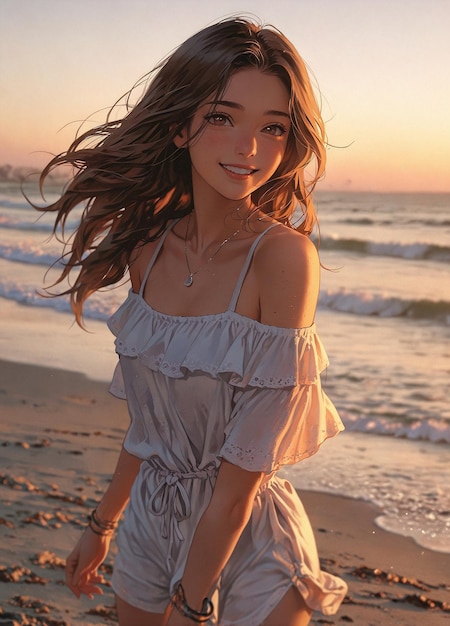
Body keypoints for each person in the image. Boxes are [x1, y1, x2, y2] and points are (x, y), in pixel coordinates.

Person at [35, 16, 347, 626]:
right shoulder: (147, 250)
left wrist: (193, 599)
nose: (248, 148)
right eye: (223, 117)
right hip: (153, 519)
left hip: (248, 539)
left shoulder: (282, 259)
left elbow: (240, 478)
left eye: (273, 128)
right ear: (180, 126)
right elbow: (150, 424)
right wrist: (103, 524)